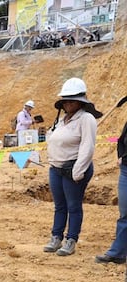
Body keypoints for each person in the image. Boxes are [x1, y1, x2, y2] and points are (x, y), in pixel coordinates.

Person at [43, 77, 102, 256]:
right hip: (56, 168)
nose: (68, 103)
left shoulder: (86, 119)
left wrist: (79, 169)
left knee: (74, 205)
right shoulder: (62, 121)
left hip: (74, 168)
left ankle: (71, 240)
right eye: (65, 100)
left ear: (80, 101)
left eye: (72, 100)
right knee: (60, 206)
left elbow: (88, 146)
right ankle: (56, 237)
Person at [94, 116, 127, 264]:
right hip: (126, 170)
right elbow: (121, 140)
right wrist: (121, 157)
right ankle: (118, 253)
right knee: (124, 214)